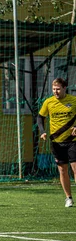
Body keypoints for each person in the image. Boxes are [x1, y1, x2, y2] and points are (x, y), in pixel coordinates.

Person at [38, 77, 76, 207]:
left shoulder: (74, 101)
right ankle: (68, 198)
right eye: (54, 89)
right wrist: (42, 131)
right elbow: (40, 117)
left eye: (58, 89)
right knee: (62, 170)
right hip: (56, 142)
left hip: (73, 141)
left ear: (64, 88)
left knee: (75, 168)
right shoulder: (48, 102)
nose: (56, 91)